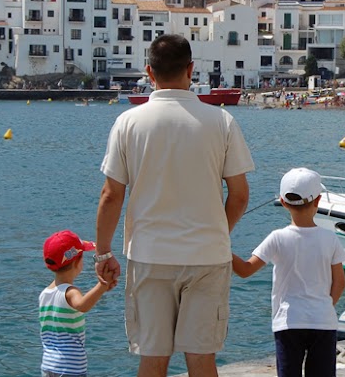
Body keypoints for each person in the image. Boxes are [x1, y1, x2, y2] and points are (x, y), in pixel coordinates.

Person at [95, 34, 254, 377]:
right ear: (191, 70)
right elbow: (239, 195)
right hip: (208, 256)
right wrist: (215, 232)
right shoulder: (221, 121)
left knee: (152, 359)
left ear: (149, 73)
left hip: (150, 254)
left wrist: (104, 254)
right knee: (201, 358)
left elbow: (111, 195)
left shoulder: (128, 122)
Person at [232, 168, 345, 377]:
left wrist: (219, 246)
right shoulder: (330, 239)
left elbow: (245, 270)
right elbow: (339, 282)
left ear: (283, 203)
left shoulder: (277, 238)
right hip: (323, 321)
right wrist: (324, 306)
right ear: (318, 200)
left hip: (288, 322)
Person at [40, 230, 112, 377]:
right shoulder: (70, 292)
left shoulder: (44, 294)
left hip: (48, 364)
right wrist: (102, 286)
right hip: (70, 367)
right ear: (77, 263)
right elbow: (82, 305)